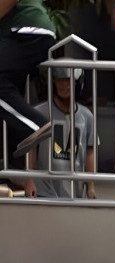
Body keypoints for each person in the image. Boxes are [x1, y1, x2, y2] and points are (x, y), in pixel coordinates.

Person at [0, 0, 55, 161]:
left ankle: (37, 125)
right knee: (9, 94)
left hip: (26, 30)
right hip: (25, 31)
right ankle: (14, 166)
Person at [31, 66, 96, 199]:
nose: (65, 85)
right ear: (53, 82)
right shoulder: (39, 113)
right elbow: (30, 149)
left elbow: (90, 152)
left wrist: (91, 187)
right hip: (45, 191)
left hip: (76, 191)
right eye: (60, 80)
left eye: (69, 80)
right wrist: (30, 180)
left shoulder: (87, 116)